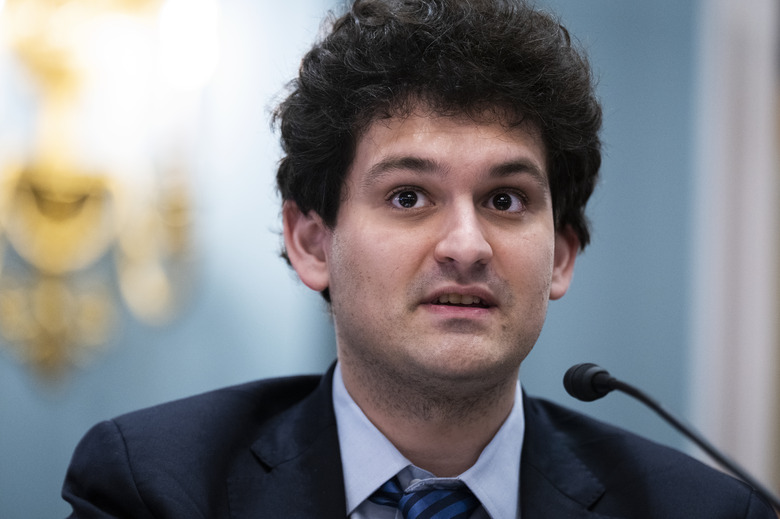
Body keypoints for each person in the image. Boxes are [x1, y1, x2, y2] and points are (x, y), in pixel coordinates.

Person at [62, 0, 777, 517]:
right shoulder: (156, 486)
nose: (466, 245)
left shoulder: (701, 509)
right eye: (408, 196)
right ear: (312, 242)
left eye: (505, 200)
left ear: (561, 257)